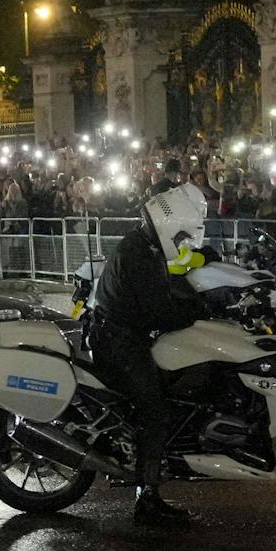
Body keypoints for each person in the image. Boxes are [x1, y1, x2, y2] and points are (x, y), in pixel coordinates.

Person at [85, 187, 211, 526]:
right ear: (169, 224)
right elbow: (158, 311)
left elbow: (167, 284)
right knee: (155, 411)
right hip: (119, 342)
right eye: (182, 233)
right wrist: (198, 312)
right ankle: (147, 498)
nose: (185, 239)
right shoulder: (140, 254)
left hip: (117, 334)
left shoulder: (144, 245)